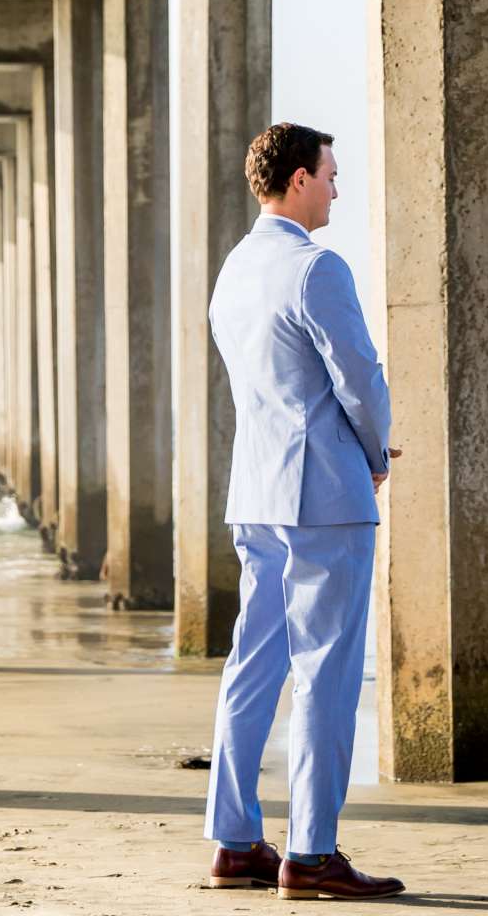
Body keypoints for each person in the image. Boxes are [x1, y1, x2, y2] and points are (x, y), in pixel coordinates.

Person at [201, 121, 405, 901]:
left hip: (254, 487)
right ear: (296, 181)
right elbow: (359, 378)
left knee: (253, 663)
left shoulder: (234, 271)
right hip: (322, 493)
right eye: (329, 175)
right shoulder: (316, 268)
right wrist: (377, 454)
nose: (336, 189)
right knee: (327, 671)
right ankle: (311, 854)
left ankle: (235, 840)